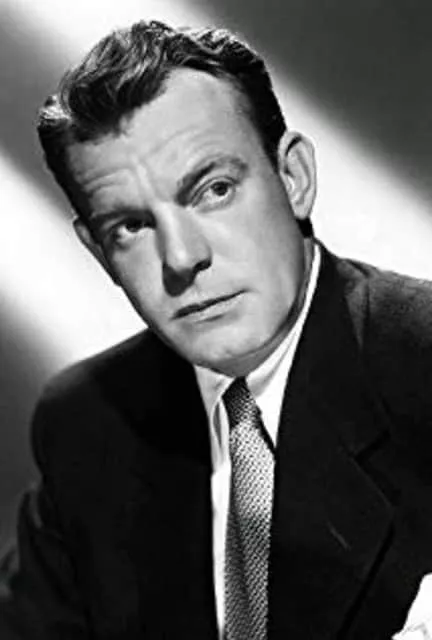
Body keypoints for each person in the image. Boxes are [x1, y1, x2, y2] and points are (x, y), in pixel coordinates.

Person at [1, 19, 432, 640]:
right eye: (131, 226)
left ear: (294, 178)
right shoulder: (86, 424)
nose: (182, 257)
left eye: (215, 190)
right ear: (98, 253)